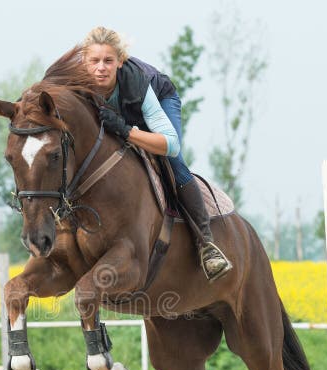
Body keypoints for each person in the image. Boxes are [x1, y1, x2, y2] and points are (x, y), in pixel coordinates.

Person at [81, 26, 232, 282]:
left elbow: (170, 144)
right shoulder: (74, 80)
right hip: (122, 118)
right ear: (83, 62)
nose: (101, 68)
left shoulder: (137, 82)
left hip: (160, 100)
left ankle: (206, 245)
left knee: (173, 160)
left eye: (108, 61)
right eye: (94, 61)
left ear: (120, 61)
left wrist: (127, 131)